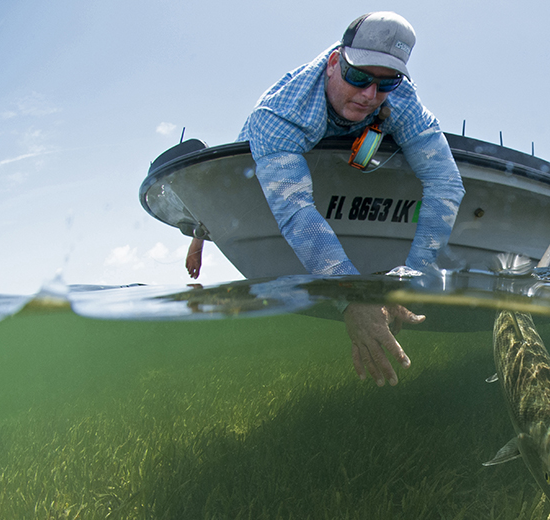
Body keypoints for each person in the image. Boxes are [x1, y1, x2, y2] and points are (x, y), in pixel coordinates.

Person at [186, 11, 465, 386]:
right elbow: (296, 208)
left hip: (349, 145)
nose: (369, 94)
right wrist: (353, 297)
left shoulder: (400, 98)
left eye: (385, 83)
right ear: (335, 62)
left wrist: (405, 279)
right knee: (221, 208)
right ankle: (200, 234)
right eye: (358, 76)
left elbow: (446, 183)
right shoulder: (279, 113)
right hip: (262, 158)